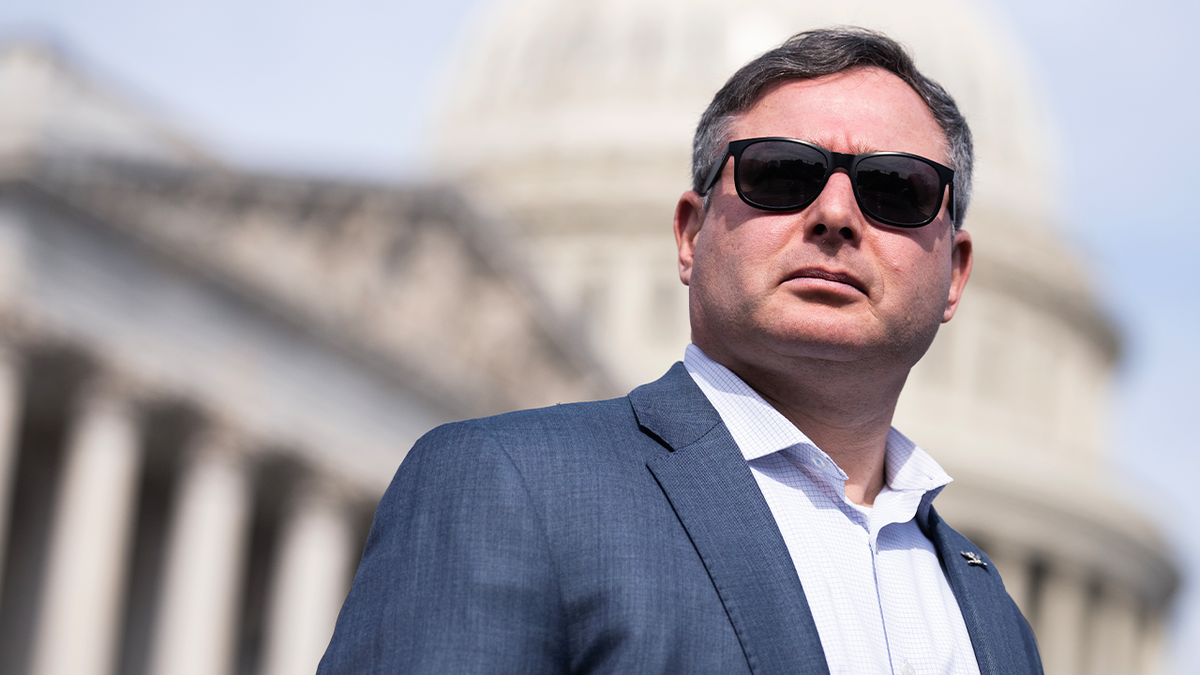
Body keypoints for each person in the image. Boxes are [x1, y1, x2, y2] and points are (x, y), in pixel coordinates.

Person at [318, 28, 1042, 675]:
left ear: (955, 273)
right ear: (691, 234)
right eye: (781, 175)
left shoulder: (991, 618)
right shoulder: (511, 486)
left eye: (895, 187)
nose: (834, 215)